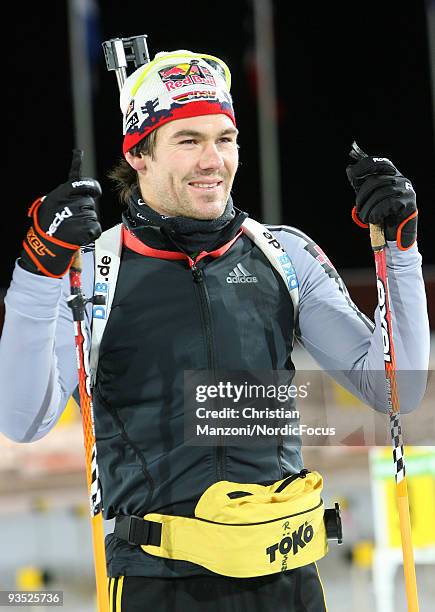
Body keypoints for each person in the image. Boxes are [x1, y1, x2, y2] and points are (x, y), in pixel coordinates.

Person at [0, 49, 430, 612]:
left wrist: (401, 250)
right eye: (188, 140)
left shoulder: (283, 254)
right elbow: (23, 419)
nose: (214, 160)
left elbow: (397, 389)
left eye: (224, 139)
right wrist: (37, 273)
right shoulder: (93, 270)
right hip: (162, 589)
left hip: (289, 581)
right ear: (139, 153)